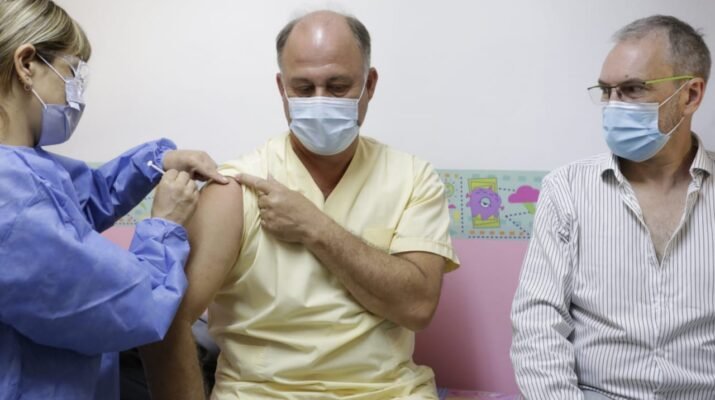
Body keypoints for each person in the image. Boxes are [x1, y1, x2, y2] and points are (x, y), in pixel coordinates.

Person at [141, 9, 459, 400]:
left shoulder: (413, 178)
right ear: (282, 88)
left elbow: (418, 306)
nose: (320, 102)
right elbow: (165, 322)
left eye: (338, 86)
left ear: (369, 84)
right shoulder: (236, 187)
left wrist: (315, 226)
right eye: (304, 89)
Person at [0, 1, 228, 399]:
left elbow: (83, 200)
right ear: (26, 64)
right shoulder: (11, 201)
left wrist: (157, 161)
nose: (76, 94)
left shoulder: (25, 171)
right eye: (71, 72)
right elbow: (137, 307)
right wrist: (164, 225)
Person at [510, 15, 713, 400]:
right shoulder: (567, 190)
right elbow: (537, 326)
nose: (613, 106)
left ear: (690, 95)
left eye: (633, 89)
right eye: (606, 91)